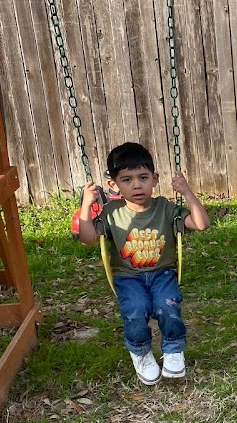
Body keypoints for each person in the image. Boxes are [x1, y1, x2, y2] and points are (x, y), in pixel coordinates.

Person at [78, 142, 211, 385]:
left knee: (167, 307)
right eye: (127, 180)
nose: (136, 185)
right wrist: (87, 205)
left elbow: (201, 224)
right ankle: (140, 352)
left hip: (162, 274)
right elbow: (87, 238)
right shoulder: (111, 212)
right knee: (136, 311)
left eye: (143, 177)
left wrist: (187, 192)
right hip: (128, 277)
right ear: (113, 185)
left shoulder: (165, 208)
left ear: (154, 179)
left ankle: (173, 350)